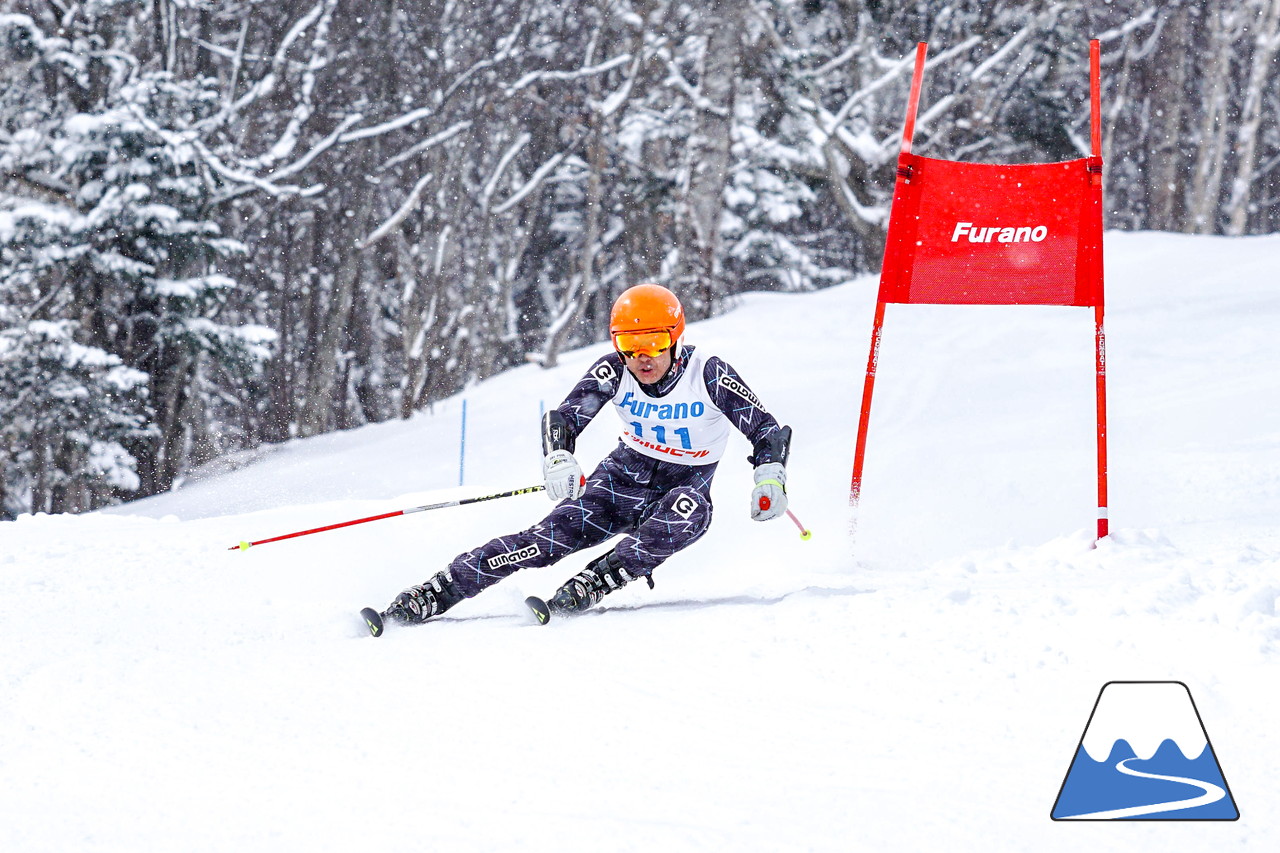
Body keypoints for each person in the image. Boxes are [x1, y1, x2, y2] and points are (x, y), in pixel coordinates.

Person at [384, 283, 791, 623]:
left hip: (681, 488)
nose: (641, 357)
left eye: (653, 341)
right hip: (618, 482)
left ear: (675, 337)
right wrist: (559, 456)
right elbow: (564, 419)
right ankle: (439, 590)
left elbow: (765, 429)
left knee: (690, 511)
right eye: (629, 344)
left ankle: (599, 579)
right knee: (541, 543)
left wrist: (770, 475)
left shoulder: (707, 373)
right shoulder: (613, 370)